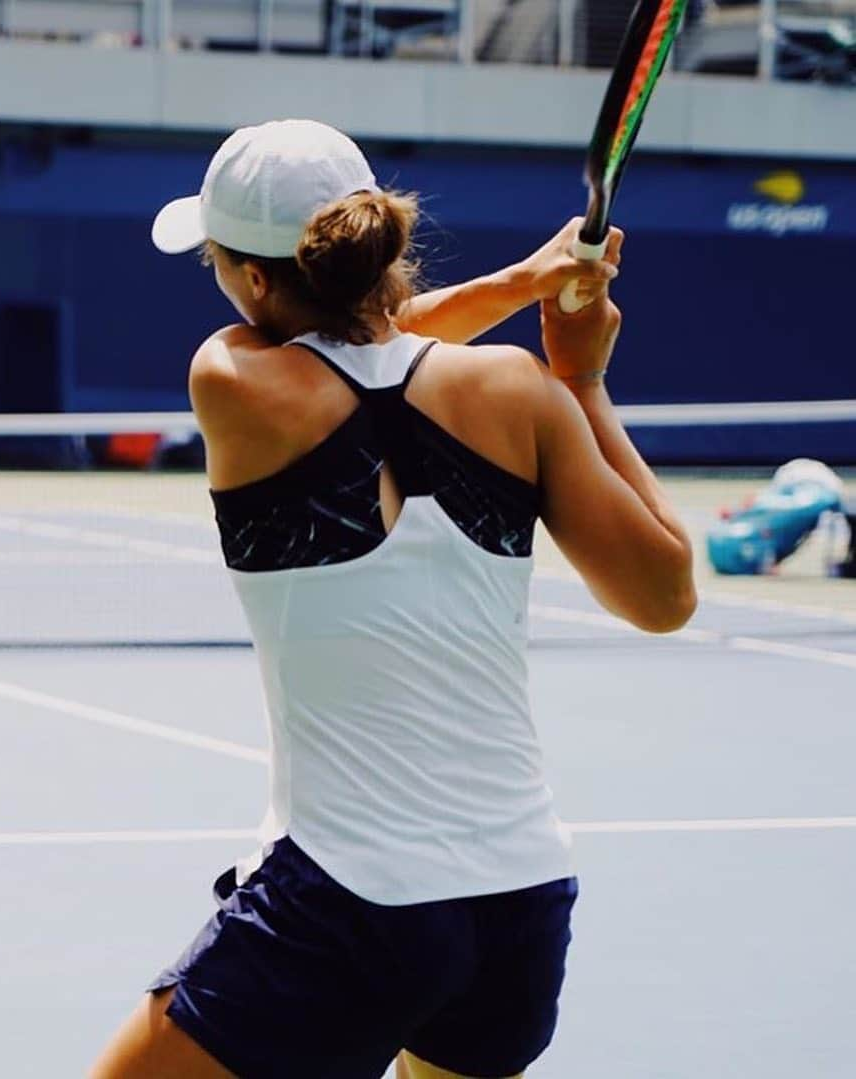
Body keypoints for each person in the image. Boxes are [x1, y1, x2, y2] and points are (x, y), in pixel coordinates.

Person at [91, 120, 696, 1079]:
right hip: (518, 908)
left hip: (346, 905)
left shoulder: (233, 379)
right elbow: (664, 594)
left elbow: (355, 355)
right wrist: (579, 374)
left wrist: (515, 290)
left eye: (215, 259)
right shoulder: (520, 390)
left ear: (252, 282)